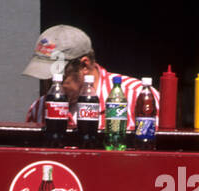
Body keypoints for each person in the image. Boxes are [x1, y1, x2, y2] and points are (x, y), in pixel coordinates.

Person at [23, 24, 154, 127]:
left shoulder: (138, 95)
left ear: (84, 66)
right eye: (44, 80)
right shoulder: (39, 108)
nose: (50, 87)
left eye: (58, 79)